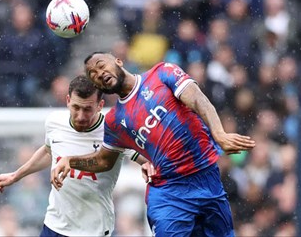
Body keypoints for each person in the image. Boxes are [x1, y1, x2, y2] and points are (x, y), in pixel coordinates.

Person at [51, 52, 256, 237]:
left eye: (101, 65)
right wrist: (71, 161)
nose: (99, 73)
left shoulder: (161, 73)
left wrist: (219, 133)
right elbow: (104, 161)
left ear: (118, 61)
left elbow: (197, 98)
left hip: (208, 178)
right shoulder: (114, 122)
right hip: (170, 192)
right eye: (92, 74)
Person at [0, 75, 152, 236]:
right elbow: (49, 150)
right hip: (55, 225)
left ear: (100, 105)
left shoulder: (113, 130)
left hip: (93, 229)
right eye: (76, 107)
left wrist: (147, 163)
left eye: (87, 109)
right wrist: (16, 175)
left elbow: (146, 158)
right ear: (68, 100)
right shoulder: (55, 122)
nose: (81, 116)